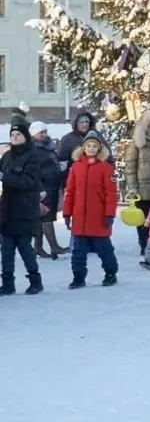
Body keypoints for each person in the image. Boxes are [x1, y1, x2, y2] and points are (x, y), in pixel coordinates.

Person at [62, 130, 119, 288]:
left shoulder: (106, 168)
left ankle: (110, 273)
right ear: (83, 148)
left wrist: (109, 214)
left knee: (104, 249)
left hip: (98, 217)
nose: (91, 148)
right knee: (78, 252)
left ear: (99, 148)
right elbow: (70, 192)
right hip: (80, 218)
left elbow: (111, 194)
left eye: (95, 146)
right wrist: (67, 213)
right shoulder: (76, 167)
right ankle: (78, 277)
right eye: (89, 146)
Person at [0, 125, 45, 295]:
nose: (15, 137)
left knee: (25, 248)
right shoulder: (7, 156)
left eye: (18, 134)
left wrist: (6, 177)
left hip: (25, 209)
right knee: (6, 249)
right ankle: (7, 283)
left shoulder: (33, 156)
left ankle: (35, 280)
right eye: (12, 134)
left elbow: (27, 181)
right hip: (7, 210)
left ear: (26, 137)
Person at [121, 109, 150, 257]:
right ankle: (144, 244)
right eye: (148, 126)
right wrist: (132, 187)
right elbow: (130, 167)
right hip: (142, 189)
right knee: (143, 219)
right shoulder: (136, 145)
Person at [27, 121, 67, 260]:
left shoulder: (48, 146)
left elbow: (52, 163)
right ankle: (53, 246)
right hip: (42, 187)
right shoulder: (32, 149)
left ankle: (38, 248)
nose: (44, 134)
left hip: (53, 185)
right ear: (33, 134)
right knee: (46, 217)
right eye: (40, 132)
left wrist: (60, 167)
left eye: (45, 131)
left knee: (42, 217)